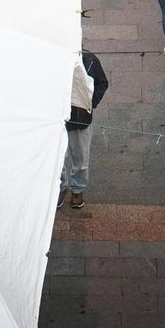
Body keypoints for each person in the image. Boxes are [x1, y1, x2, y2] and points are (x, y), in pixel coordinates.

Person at [60, 50, 110, 211]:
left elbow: (102, 83)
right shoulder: (51, 60)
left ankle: (77, 189)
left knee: (81, 157)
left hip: (80, 120)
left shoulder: (89, 60)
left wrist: (90, 103)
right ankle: (60, 186)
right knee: (57, 158)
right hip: (57, 120)